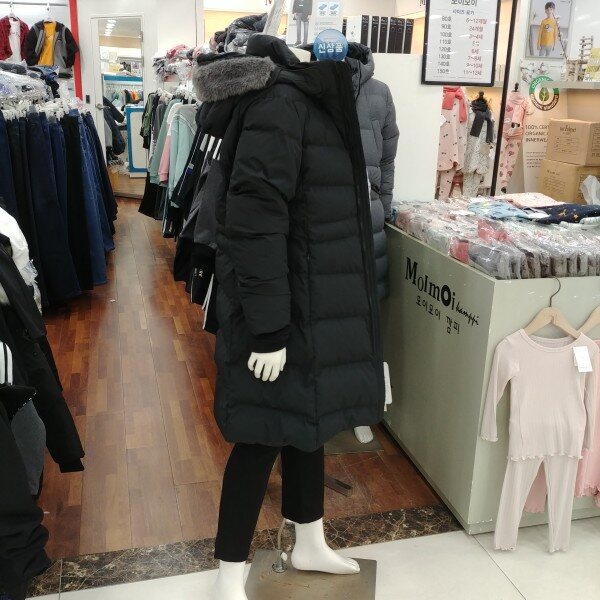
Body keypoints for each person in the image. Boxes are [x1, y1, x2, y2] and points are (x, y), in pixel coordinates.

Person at [192, 34, 384, 600]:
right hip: (282, 308)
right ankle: (228, 572)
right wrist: (270, 329)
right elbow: (255, 225)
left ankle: (310, 540)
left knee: (309, 423)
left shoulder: (306, 98)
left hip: (311, 298)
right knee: (260, 434)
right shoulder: (281, 104)